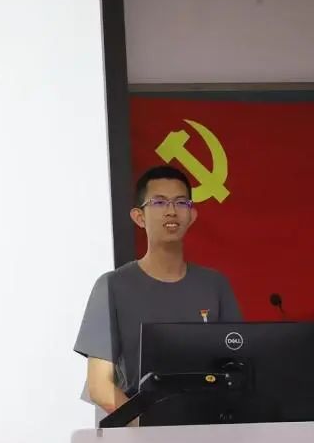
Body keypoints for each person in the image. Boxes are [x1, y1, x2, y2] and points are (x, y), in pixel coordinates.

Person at [74, 164, 243, 421]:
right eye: (159, 202)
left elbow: (239, 366)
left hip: (210, 429)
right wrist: (147, 427)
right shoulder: (112, 286)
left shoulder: (215, 285)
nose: (171, 211)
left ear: (192, 215)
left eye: (181, 202)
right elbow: (100, 386)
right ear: (138, 217)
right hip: (140, 434)